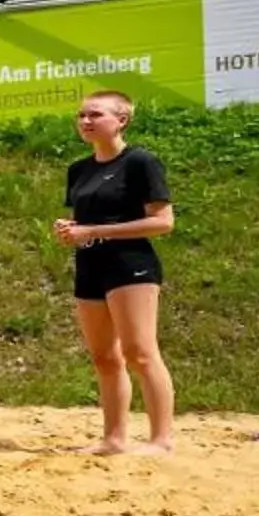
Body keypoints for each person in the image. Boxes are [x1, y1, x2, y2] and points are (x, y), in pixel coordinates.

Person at [52, 88, 177, 455]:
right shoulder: (79, 169)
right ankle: (114, 439)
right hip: (90, 263)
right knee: (104, 357)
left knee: (140, 352)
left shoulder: (141, 162)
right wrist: (71, 228)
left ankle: (161, 440)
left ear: (121, 120)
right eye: (81, 116)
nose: (86, 122)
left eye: (95, 115)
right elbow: (86, 219)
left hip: (130, 264)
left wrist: (94, 231)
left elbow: (162, 222)